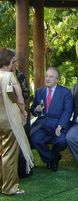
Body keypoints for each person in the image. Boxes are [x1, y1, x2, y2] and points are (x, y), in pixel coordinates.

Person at [0, 48, 34, 195]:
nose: (15, 65)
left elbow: (7, 95)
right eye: (14, 62)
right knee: (9, 153)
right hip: (8, 120)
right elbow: (19, 100)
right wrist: (23, 111)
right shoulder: (10, 77)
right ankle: (9, 187)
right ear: (9, 62)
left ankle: (2, 182)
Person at [30, 67, 72, 171]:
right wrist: (36, 109)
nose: (47, 79)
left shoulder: (65, 92)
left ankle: (53, 155)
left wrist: (60, 126)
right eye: (47, 76)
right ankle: (52, 159)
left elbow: (67, 111)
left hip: (57, 124)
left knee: (61, 141)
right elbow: (33, 108)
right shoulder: (39, 92)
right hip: (42, 125)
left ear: (57, 79)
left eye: (51, 77)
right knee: (35, 139)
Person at [10, 50, 33, 178]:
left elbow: (25, 94)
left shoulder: (19, 75)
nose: (16, 64)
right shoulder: (6, 76)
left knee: (20, 140)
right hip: (7, 113)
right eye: (14, 61)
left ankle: (22, 170)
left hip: (17, 111)